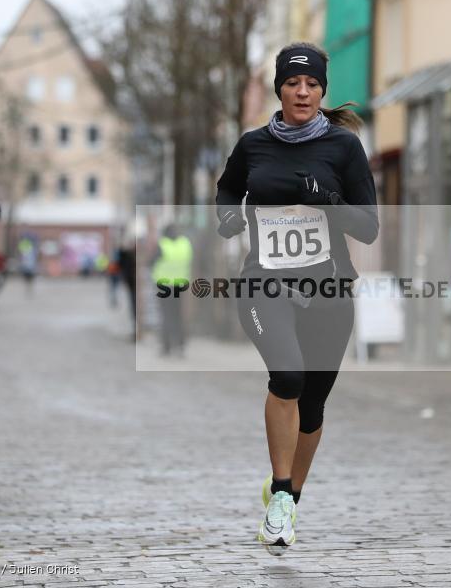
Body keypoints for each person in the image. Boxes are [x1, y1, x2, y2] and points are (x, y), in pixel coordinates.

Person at [215, 42, 378, 555]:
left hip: (328, 290)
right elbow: (226, 190)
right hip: (265, 283)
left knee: (312, 406)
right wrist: (227, 217)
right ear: (279, 89)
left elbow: (369, 228)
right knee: (286, 376)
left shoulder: (344, 149)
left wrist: (327, 200)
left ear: (322, 90)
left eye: (311, 84)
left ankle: (289, 493)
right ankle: (281, 500)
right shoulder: (253, 144)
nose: (302, 92)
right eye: (292, 83)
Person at [150, 224, 192, 356]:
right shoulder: (185, 244)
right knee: (178, 316)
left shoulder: (163, 245)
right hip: (180, 285)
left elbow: (151, 262)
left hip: (164, 286)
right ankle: (180, 346)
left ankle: (166, 347)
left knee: (166, 316)